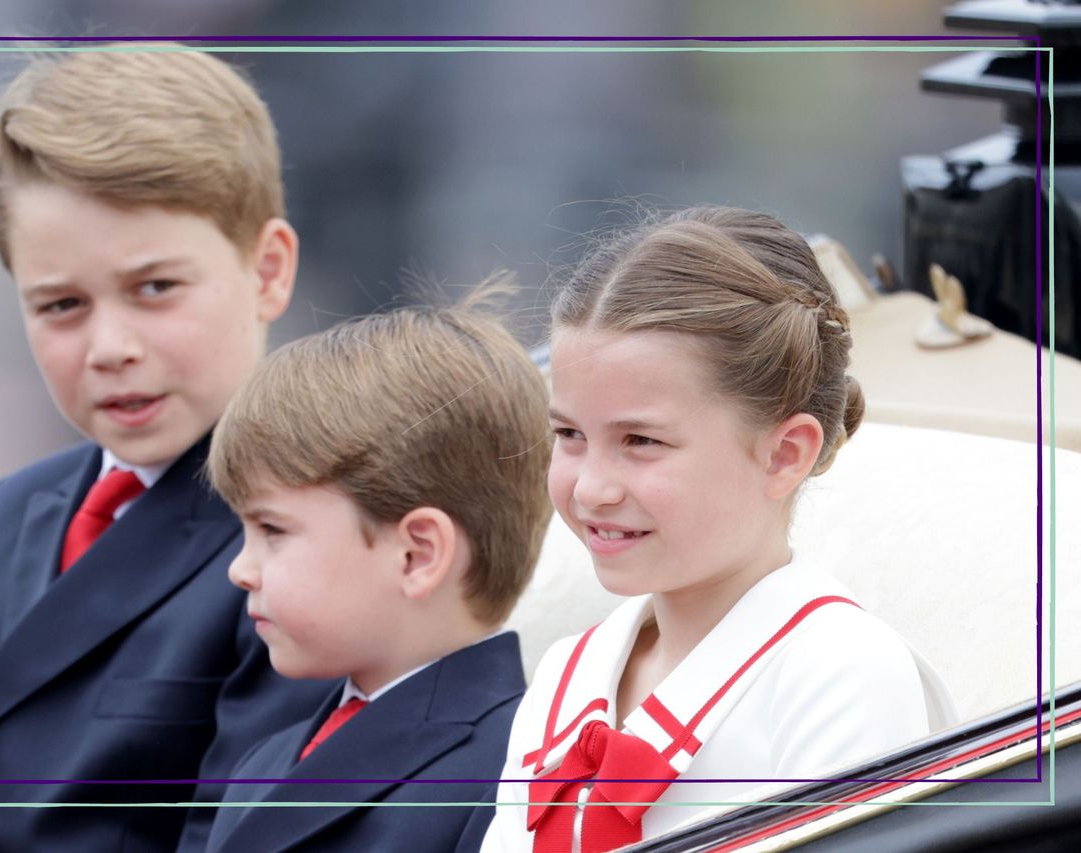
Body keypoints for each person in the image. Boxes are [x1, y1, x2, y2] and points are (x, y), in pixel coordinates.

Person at [0, 47, 332, 853]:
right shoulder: (14, 512)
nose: (109, 345)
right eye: (61, 304)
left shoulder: (308, 541)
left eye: (155, 288)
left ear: (267, 270)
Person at [481, 206, 958, 852]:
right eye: (569, 433)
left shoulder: (843, 676)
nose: (592, 486)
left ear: (784, 453)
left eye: (641, 440)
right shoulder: (567, 675)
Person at [185, 291, 553, 853]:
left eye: (273, 531)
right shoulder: (265, 760)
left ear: (417, 555)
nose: (240, 569)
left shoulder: (517, 775)